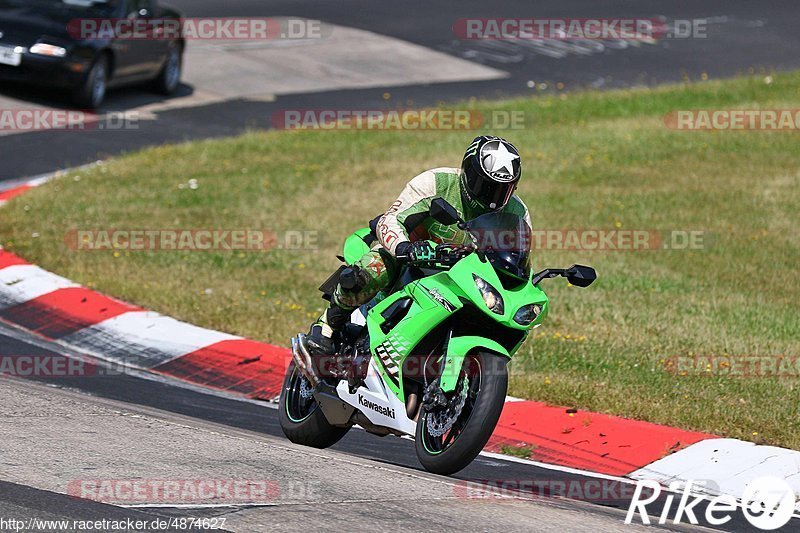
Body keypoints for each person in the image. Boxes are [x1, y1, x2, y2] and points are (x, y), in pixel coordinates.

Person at [305, 135, 531, 359]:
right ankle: (327, 325)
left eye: (502, 190)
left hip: (462, 278)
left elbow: (516, 256)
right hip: (412, 260)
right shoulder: (436, 182)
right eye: (486, 186)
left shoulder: (517, 212)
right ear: (468, 173)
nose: (492, 198)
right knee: (374, 267)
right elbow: (390, 220)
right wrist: (405, 248)